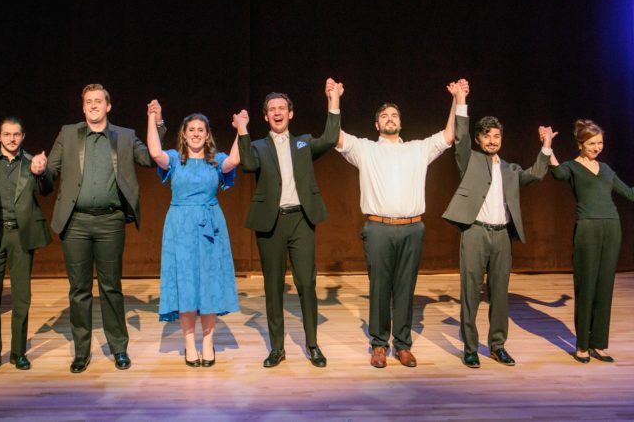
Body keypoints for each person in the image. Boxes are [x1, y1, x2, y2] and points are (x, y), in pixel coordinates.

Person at [32, 84, 166, 373]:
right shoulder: (68, 134)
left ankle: (119, 349)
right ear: (83, 108)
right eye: (88, 101)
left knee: (110, 287)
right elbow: (50, 175)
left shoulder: (126, 136)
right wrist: (40, 170)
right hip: (76, 222)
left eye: (98, 101)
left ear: (108, 106)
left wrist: (158, 124)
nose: (93, 105)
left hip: (110, 221)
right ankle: (81, 352)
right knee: (79, 289)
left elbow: (150, 159)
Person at [335, 79, 467, 368]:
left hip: (412, 227)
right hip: (378, 228)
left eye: (394, 115)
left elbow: (449, 135)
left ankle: (403, 345)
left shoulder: (418, 149)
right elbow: (336, 136)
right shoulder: (365, 149)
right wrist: (334, 99)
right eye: (384, 116)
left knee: (406, 288)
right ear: (377, 124)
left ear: (401, 123)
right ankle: (379, 344)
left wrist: (458, 99)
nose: (390, 119)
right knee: (380, 288)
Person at [442, 84, 553, 368]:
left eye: (497, 135)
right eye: (487, 136)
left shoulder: (511, 170)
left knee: (500, 294)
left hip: (502, 235)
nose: (492, 140)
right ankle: (469, 347)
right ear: (479, 140)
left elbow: (538, 174)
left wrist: (546, 145)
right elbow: (461, 137)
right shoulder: (470, 160)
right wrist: (462, 99)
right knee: (470, 291)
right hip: (476, 232)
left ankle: (497, 345)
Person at [236, 78, 342, 368]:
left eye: (282, 108)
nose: (278, 112)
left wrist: (333, 100)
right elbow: (247, 165)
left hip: (301, 220)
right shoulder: (257, 145)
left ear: (290, 113)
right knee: (272, 287)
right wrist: (242, 130)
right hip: (271, 224)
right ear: (266, 116)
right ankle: (277, 348)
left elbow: (331, 139)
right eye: (272, 109)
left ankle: (312, 345)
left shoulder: (303, 142)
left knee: (306, 282)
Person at [545, 120, 634, 363]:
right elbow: (557, 173)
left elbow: (631, 194)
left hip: (612, 227)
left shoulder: (607, 169)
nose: (597, 147)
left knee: (604, 287)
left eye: (600, 143)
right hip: (587, 229)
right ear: (581, 143)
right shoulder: (572, 167)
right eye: (591, 143)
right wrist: (547, 144)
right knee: (586, 286)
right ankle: (582, 345)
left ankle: (599, 343)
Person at [145, 101, 241, 367]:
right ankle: (189, 344)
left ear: (207, 135)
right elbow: (154, 152)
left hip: (211, 226)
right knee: (186, 284)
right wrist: (153, 118)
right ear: (184, 134)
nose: (197, 133)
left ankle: (208, 343)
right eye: (192, 130)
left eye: (201, 130)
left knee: (208, 285)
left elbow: (235, 160)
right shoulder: (175, 159)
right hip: (180, 226)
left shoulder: (215, 160)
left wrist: (241, 129)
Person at [0, 117, 53, 373]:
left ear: (23, 136)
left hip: (20, 237)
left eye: (16, 134)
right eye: (7, 134)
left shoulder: (31, 162)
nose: (11, 139)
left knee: (21, 297)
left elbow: (46, 189)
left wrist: (42, 171)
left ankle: (18, 353)